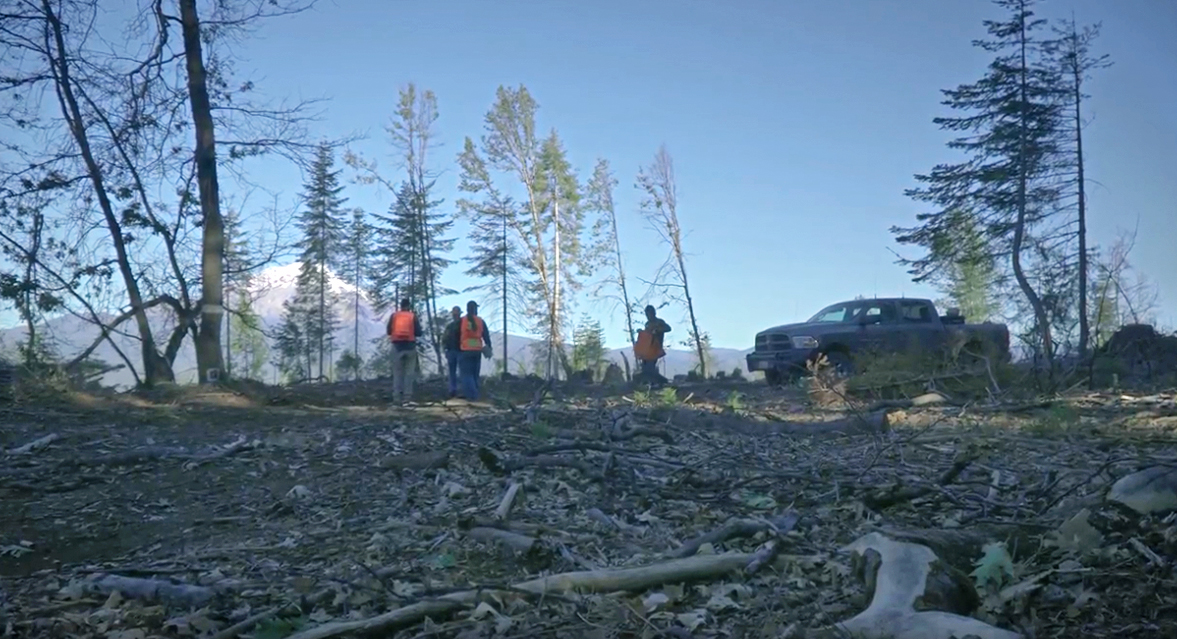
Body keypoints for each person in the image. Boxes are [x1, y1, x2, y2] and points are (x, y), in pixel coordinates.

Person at [386, 298, 423, 405]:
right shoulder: (412, 316)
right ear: (409, 306)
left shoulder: (394, 316)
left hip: (397, 347)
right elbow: (418, 332)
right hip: (410, 347)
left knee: (397, 373)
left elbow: (389, 331)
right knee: (409, 374)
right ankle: (407, 397)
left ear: (400, 306)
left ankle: (396, 397)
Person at [457, 300, 493, 400]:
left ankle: (471, 395)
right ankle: (475, 394)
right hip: (477, 351)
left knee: (466, 374)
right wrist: (489, 347)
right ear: (475, 309)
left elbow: (455, 335)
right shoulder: (480, 321)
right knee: (474, 374)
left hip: (465, 350)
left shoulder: (462, 321)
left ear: (467, 309)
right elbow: (486, 336)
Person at [636, 305, 671, 384]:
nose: (648, 316)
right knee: (645, 367)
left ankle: (662, 382)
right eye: (647, 314)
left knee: (650, 366)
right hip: (647, 349)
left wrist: (658, 330)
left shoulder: (659, 322)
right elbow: (647, 335)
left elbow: (668, 328)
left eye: (650, 313)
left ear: (654, 313)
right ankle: (651, 383)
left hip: (655, 348)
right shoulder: (647, 324)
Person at [441, 305, 462, 398]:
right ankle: (453, 390)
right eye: (454, 313)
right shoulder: (450, 326)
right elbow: (444, 339)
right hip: (453, 351)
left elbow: (444, 339)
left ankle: (458, 390)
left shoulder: (462, 325)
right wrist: (445, 349)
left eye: (456, 313)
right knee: (453, 372)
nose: (455, 315)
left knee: (460, 372)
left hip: (460, 351)